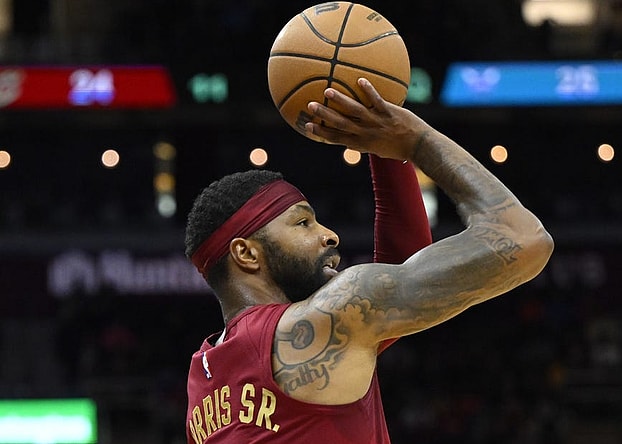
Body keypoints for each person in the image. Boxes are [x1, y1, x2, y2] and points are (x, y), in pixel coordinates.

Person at [183, 79, 554, 443]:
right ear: (246, 253)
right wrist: (415, 139)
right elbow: (524, 240)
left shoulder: (203, 379)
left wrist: (385, 150)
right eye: (302, 223)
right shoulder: (317, 328)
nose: (329, 235)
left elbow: (400, 266)